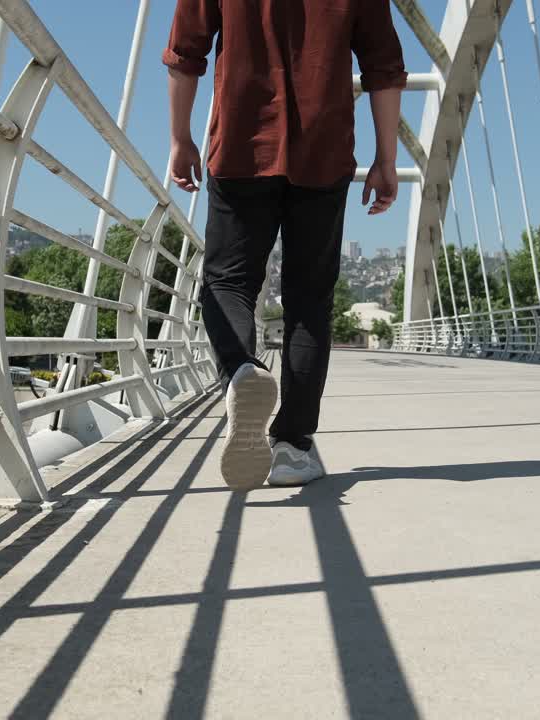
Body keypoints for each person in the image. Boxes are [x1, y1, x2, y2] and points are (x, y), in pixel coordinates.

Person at [163, 0, 406, 490]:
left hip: (240, 143)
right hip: (324, 150)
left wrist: (180, 137)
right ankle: (293, 447)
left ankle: (240, 374)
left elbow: (185, 52)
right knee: (309, 300)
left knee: (226, 283)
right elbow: (383, 68)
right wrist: (385, 157)